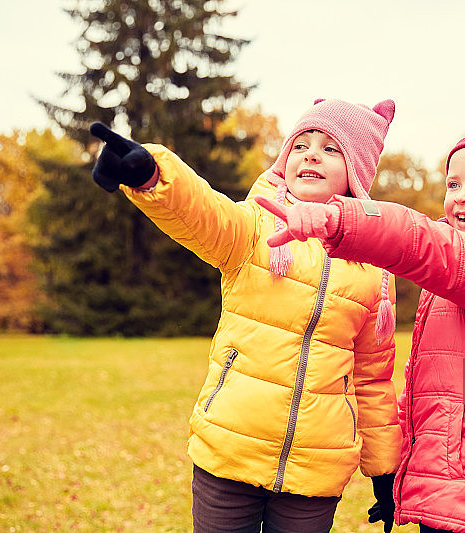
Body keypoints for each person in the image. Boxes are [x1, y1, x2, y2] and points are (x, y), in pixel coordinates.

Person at [89, 98, 403, 533]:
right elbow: (201, 212)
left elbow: (371, 377)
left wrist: (384, 470)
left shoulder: (372, 267)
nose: (311, 154)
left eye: (331, 149)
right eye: (301, 144)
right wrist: (153, 174)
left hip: (316, 469)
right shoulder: (253, 226)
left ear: (359, 173)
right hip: (230, 450)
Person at [256, 128, 465, 533]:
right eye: (453, 183)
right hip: (452, 476)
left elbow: (426, 243)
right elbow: (431, 387)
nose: (461, 194)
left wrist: (341, 219)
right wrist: (393, 472)